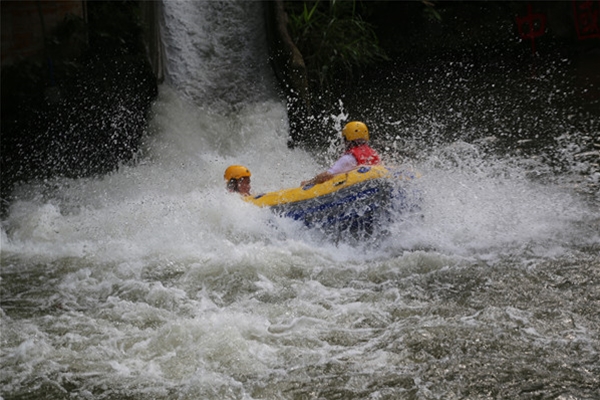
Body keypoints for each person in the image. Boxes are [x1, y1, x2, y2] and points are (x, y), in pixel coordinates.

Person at [301, 121, 381, 186]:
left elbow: (328, 175)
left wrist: (310, 182)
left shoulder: (348, 158)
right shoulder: (373, 153)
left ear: (347, 139)